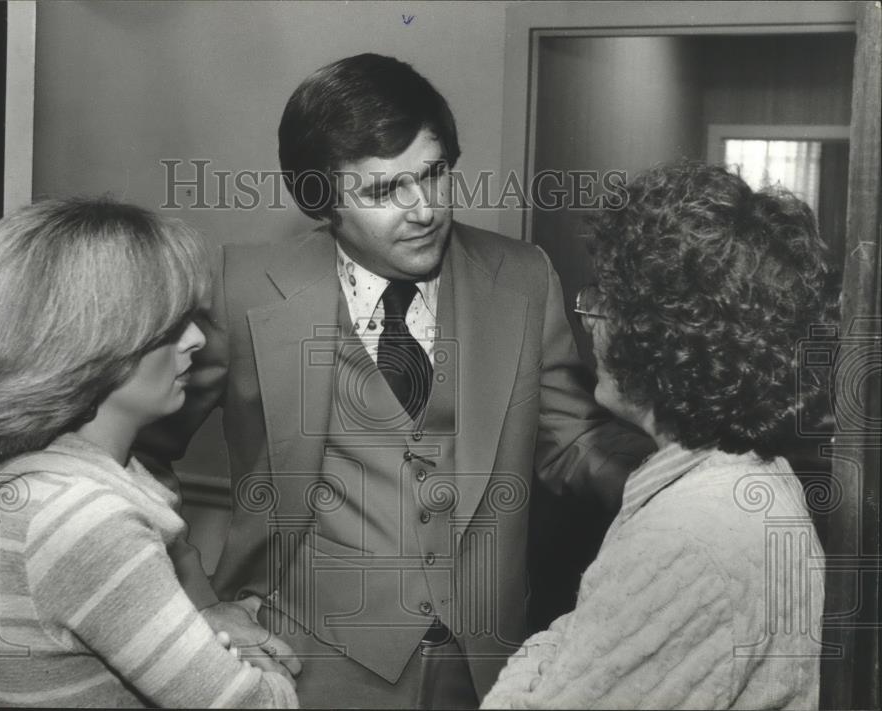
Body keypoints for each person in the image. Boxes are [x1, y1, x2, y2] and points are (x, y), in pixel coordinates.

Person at [139, 53, 654, 708]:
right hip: (304, 662)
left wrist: (690, 474)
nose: (424, 209)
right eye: (384, 192)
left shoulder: (523, 276)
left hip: (486, 663)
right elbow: (137, 448)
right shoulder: (242, 286)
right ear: (322, 201)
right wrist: (200, 601)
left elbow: (574, 445)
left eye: (434, 174)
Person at [482, 161, 835, 709]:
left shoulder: (685, 540)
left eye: (605, 299)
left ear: (658, 339)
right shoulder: (745, 478)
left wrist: (532, 662)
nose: (589, 319)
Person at [0, 199, 298, 708]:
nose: (194, 341)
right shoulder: (89, 520)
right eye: (168, 327)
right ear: (90, 345)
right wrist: (259, 667)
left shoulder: (48, 483)